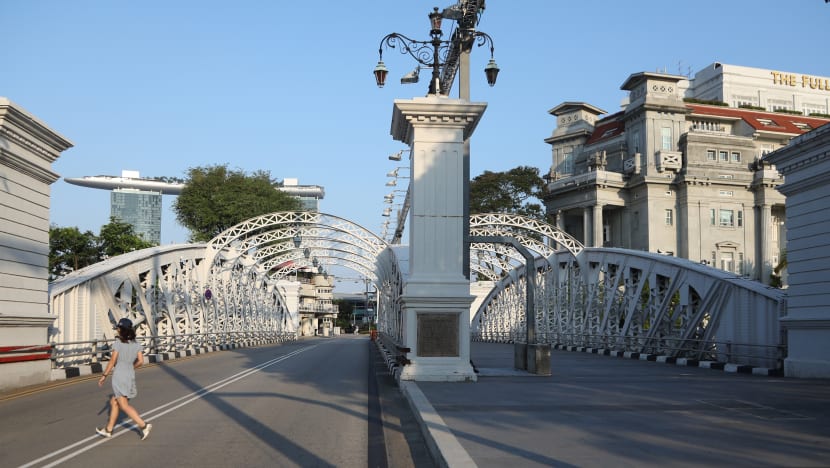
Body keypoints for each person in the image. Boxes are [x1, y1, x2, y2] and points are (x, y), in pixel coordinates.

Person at [96, 317, 153, 440]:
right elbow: (141, 361)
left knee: (124, 405)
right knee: (114, 402)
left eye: (118, 328)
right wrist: (131, 366)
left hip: (119, 376)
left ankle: (143, 425)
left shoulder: (118, 343)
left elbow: (112, 361)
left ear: (122, 330)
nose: (117, 330)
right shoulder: (136, 345)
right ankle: (108, 429)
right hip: (129, 374)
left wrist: (104, 376)